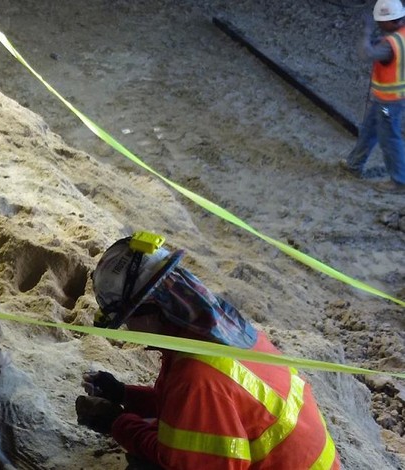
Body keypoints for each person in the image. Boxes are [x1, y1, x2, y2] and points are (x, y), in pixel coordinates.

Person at [75, 231, 339, 469]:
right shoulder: (222, 333)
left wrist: (116, 422)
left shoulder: (196, 376)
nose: (130, 329)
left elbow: (184, 462)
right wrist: (123, 393)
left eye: (128, 318)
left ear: (152, 310)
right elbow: (191, 412)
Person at [341, 0, 405, 194]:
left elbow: (366, 54)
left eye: (380, 22)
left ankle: (400, 180)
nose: (378, 25)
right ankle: (354, 164)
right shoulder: (400, 36)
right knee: (369, 130)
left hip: (389, 100)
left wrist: (366, 32)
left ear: (391, 21)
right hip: (387, 99)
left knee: (389, 139)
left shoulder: (390, 45)